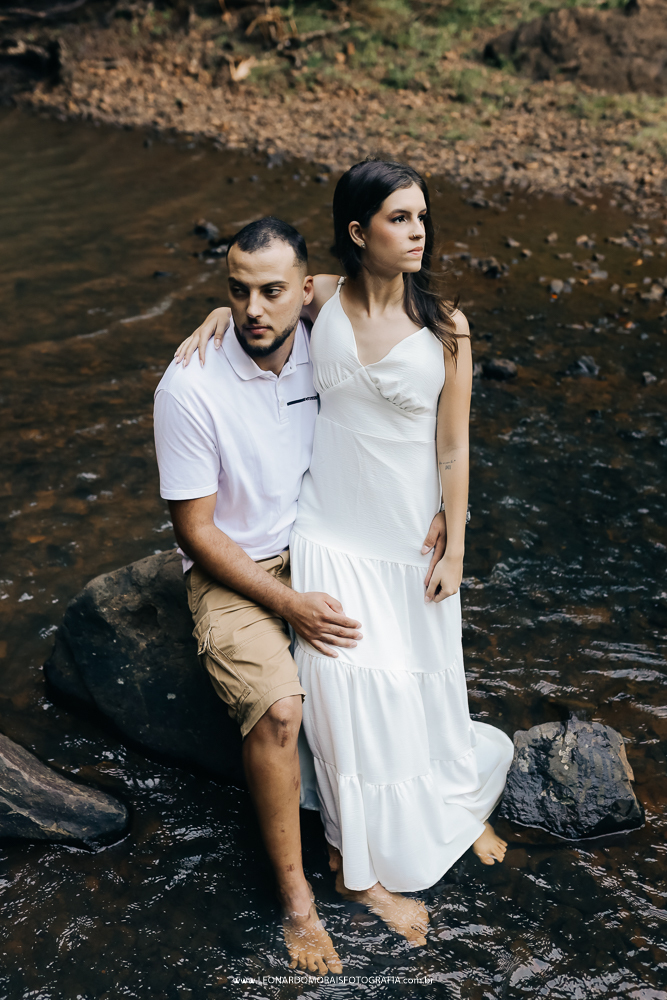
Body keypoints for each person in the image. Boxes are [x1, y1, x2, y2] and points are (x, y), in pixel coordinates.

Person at [177, 160, 514, 949]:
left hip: (404, 534)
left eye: (421, 216)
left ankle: (445, 806)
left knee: (417, 683)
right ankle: (353, 868)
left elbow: (454, 449)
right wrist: (211, 320)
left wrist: (454, 543)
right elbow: (260, 294)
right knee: (344, 692)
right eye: (399, 218)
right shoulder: (321, 296)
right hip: (326, 531)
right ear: (359, 234)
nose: (418, 231)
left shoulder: (447, 328)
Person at [155, 215, 447, 972]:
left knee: (377, 674)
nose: (253, 310)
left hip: (323, 543)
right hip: (236, 570)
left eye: (272, 292)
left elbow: (387, 304)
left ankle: (366, 870)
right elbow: (196, 534)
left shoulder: (324, 336)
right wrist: (287, 607)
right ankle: (297, 902)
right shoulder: (188, 386)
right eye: (236, 293)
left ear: (304, 290)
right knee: (283, 710)